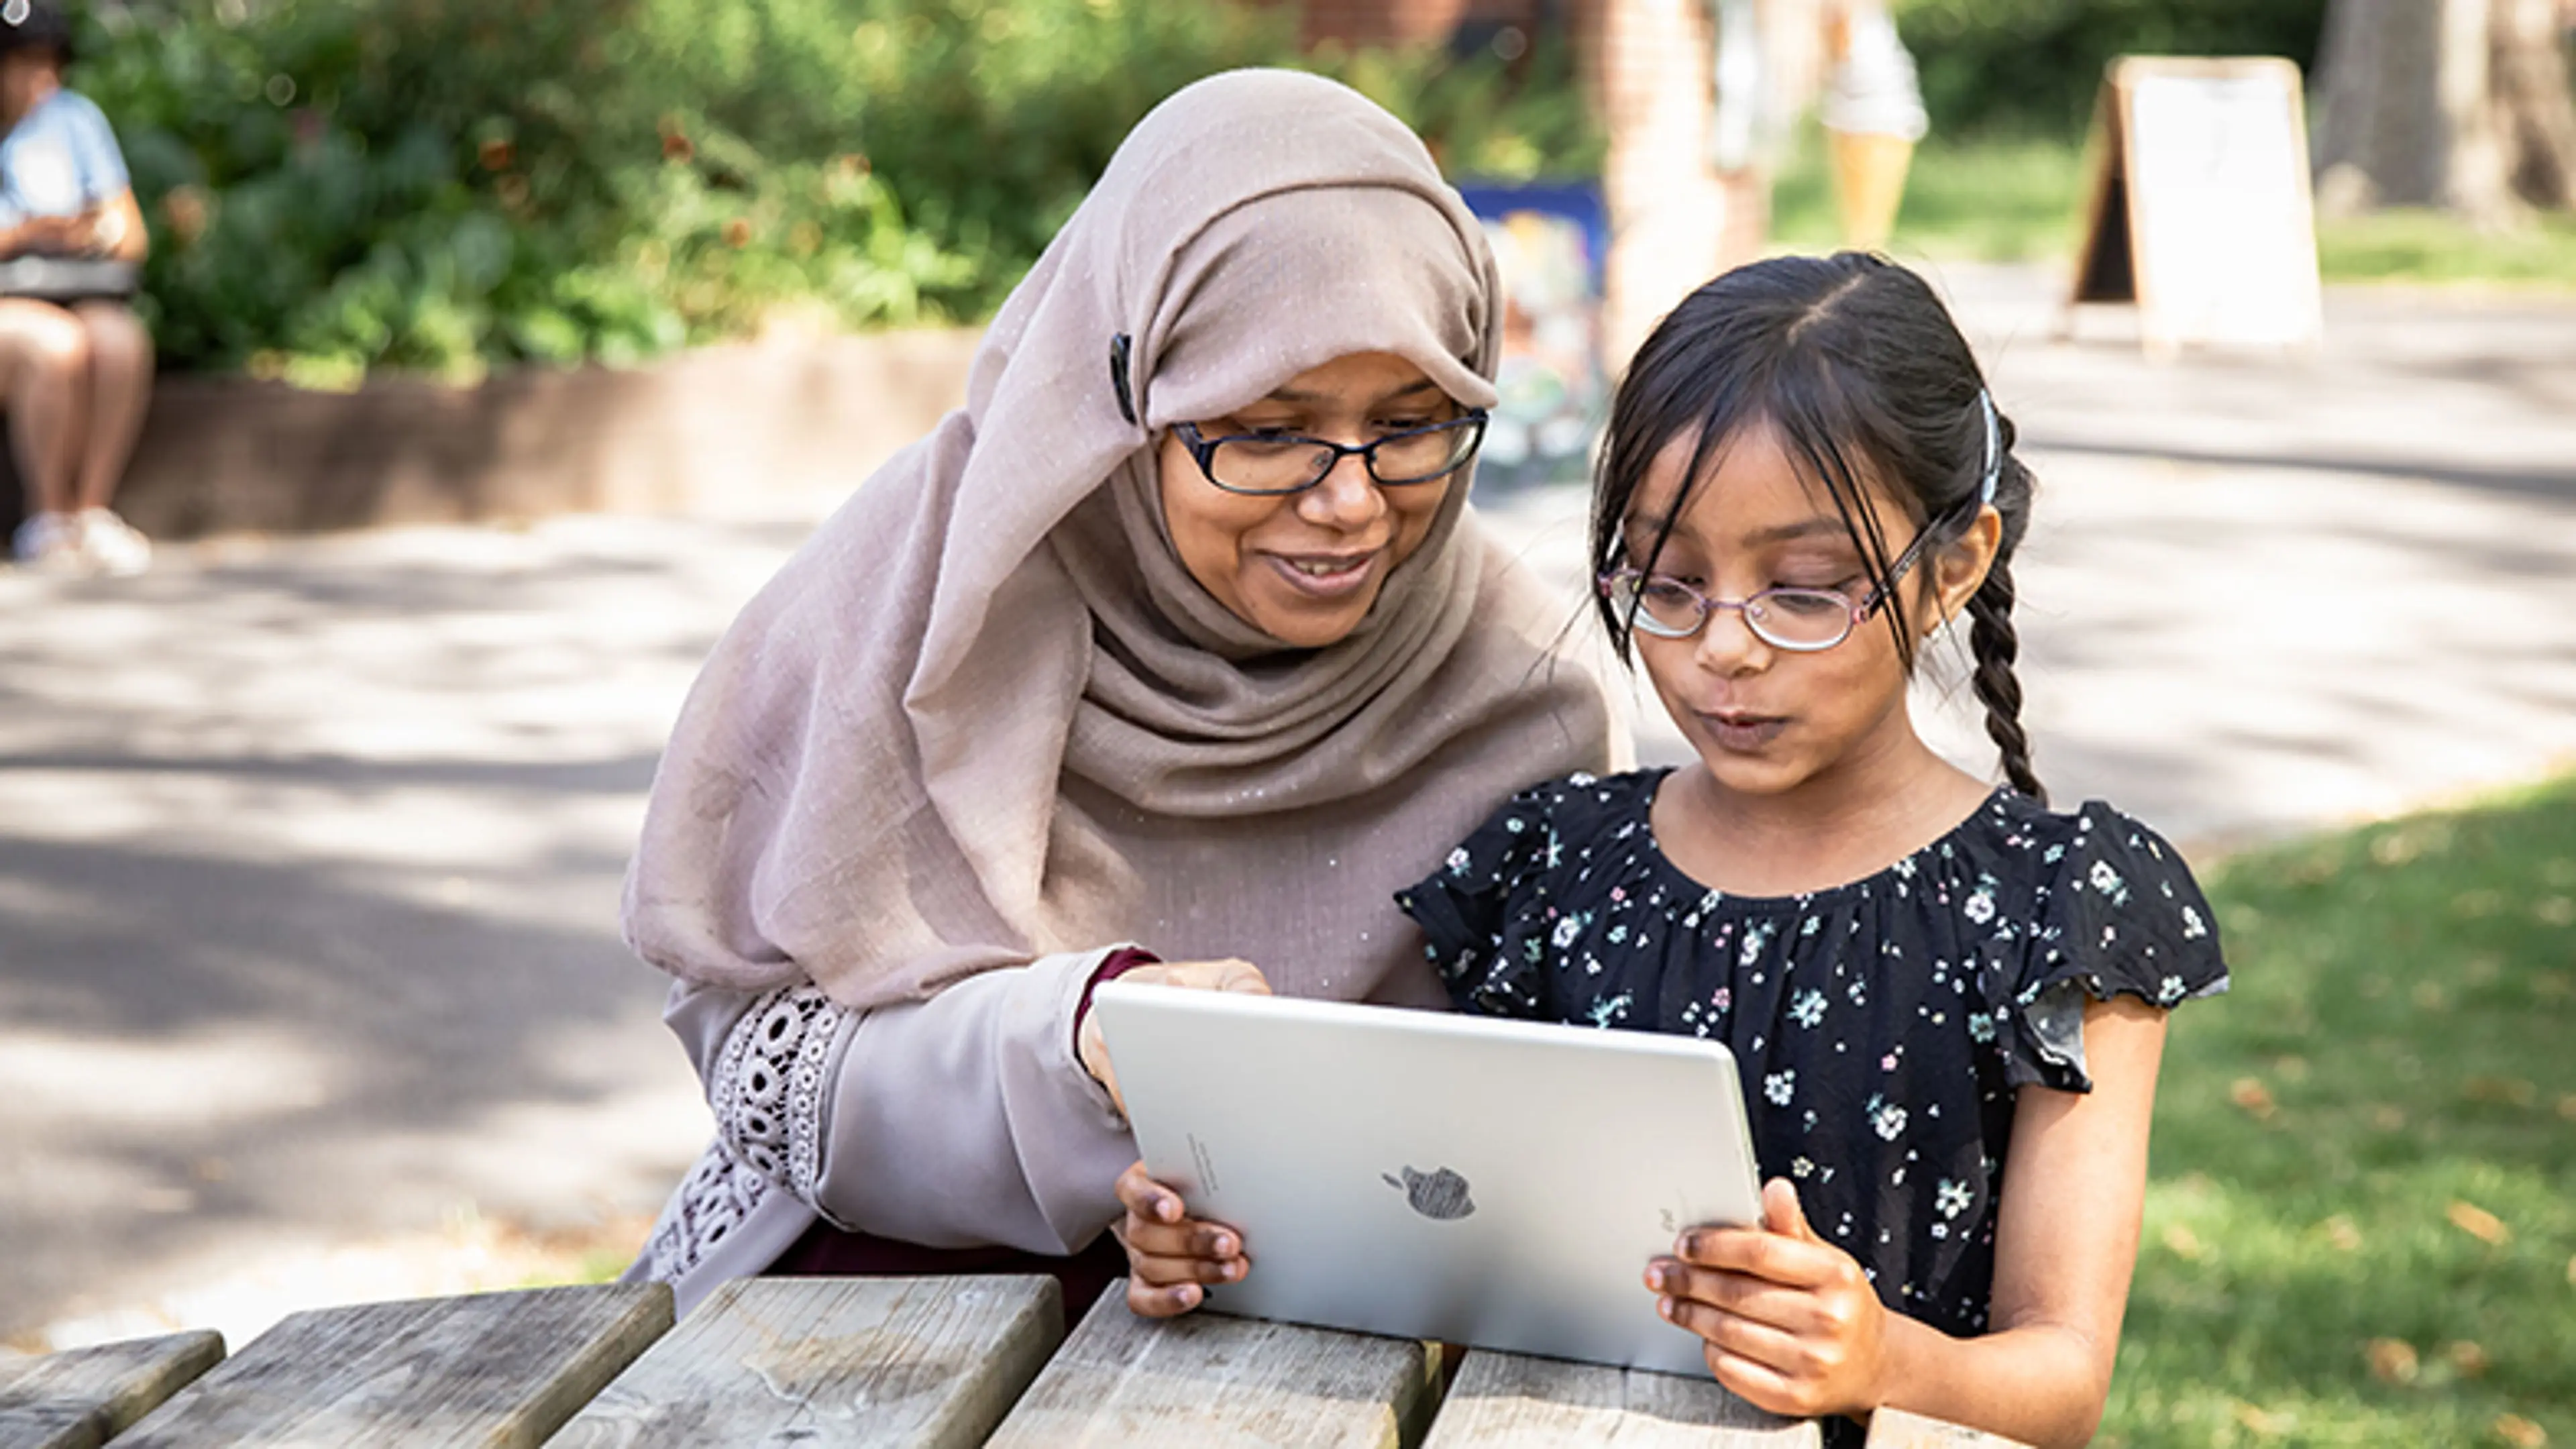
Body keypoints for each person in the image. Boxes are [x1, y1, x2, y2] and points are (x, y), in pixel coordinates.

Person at [1118, 253, 2226, 1449]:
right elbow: (1438, 1231)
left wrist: (1876, 1357)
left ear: (1953, 566)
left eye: (1803, 590)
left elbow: (2062, 1385)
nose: (1724, 649)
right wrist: (1229, 1237)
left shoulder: (2059, 906)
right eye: (1668, 581)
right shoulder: (1553, 868)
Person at [619, 68, 1613, 1320]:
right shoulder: (926, 602)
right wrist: (1076, 1039)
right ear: (1124, 411)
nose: (1351, 502)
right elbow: (764, 1067)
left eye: (1413, 424)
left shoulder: (1514, 687)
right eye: (1265, 430)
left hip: (1335, 1333)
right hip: (883, 1308)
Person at [0, 0, 151, 576]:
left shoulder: (76, 121)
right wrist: (23, 235)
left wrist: (86, 233)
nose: (40, 80)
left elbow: (133, 234)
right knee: (57, 345)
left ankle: (92, 511)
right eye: (23, 63)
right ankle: (47, 516)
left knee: (118, 343)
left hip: (74, 288)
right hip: (12, 305)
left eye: (50, 63)